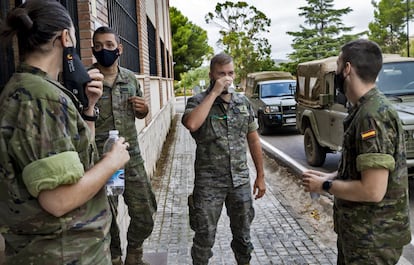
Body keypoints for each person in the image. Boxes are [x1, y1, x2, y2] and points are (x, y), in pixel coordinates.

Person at [0, 1, 130, 264]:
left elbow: (71, 161)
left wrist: (90, 108)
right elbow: (58, 200)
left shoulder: (31, 88)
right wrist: (112, 162)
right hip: (63, 252)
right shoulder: (40, 97)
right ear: (66, 37)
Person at [302, 39, 411, 264]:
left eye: (338, 67)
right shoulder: (364, 109)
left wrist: (324, 186)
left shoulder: (372, 115)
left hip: (371, 241)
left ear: (348, 69)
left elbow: (372, 190)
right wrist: (329, 176)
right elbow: (360, 170)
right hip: (361, 235)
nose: (337, 74)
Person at [182, 52, 266, 265]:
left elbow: (254, 140)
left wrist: (261, 176)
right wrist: (215, 92)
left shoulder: (242, 102)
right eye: (221, 74)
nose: (227, 78)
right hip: (209, 184)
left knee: (243, 238)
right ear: (211, 74)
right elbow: (192, 124)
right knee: (204, 238)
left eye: (230, 73)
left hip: (240, 182)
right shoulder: (198, 101)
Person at [91, 26, 157, 265]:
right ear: (92, 49)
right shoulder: (88, 80)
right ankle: (115, 258)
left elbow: (141, 112)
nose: (104, 50)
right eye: (98, 46)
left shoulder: (130, 78)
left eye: (109, 45)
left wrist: (144, 110)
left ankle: (135, 254)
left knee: (145, 211)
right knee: (107, 215)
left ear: (119, 49)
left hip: (131, 157)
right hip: (103, 161)